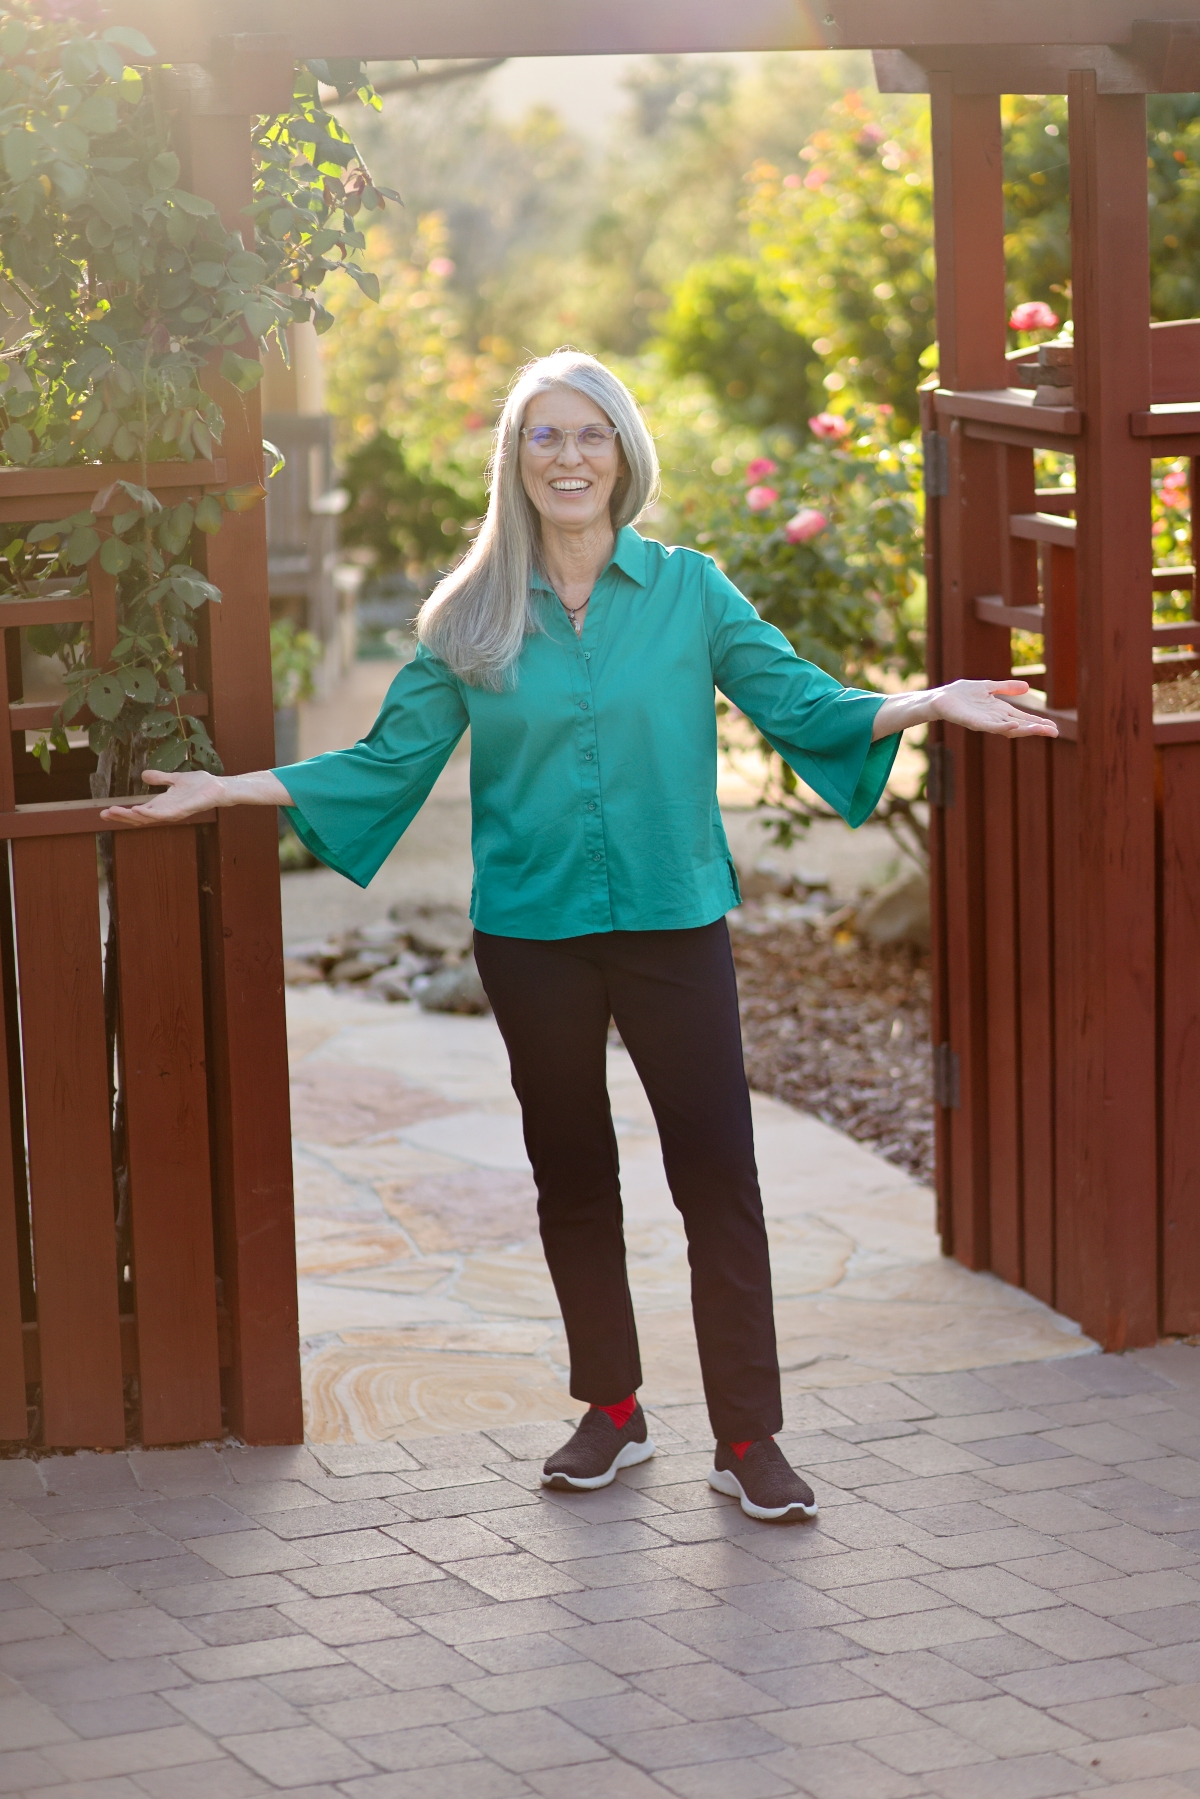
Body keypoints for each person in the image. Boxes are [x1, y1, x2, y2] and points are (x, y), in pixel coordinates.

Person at [103, 349, 1057, 1523]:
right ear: (516, 459)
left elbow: (805, 704)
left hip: (673, 921)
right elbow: (384, 763)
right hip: (533, 932)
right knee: (572, 1175)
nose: (568, 457)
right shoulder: (471, 617)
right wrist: (224, 790)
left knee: (718, 1174)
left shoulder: (691, 591)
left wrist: (928, 699)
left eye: (589, 434)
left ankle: (748, 1435)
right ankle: (611, 1407)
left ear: (623, 453)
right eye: (545, 436)